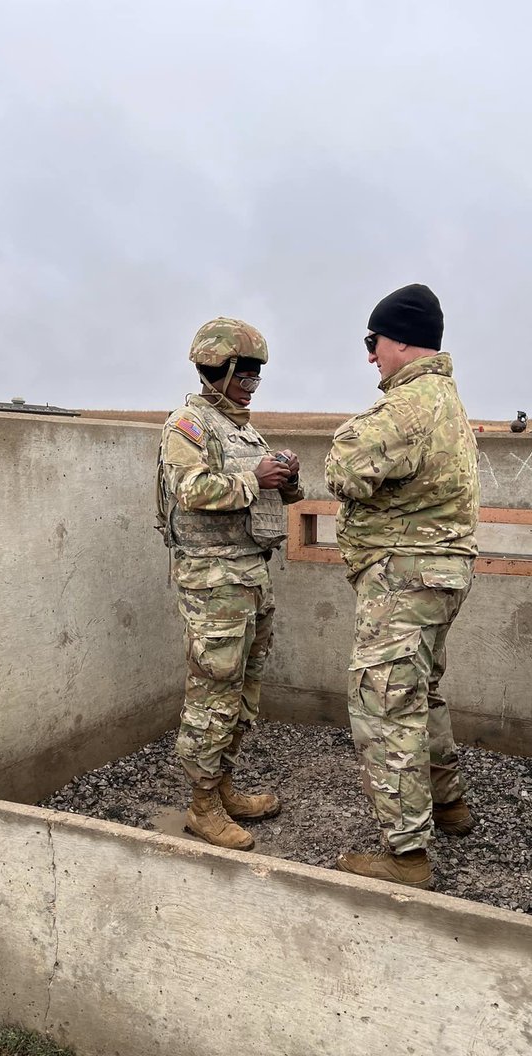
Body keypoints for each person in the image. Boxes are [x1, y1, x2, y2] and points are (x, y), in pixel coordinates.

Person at [324, 284, 480, 889]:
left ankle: (406, 856)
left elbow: (345, 470)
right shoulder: (447, 400)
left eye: (374, 342)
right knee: (422, 692)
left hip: (404, 576)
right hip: (442, 575)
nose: (371, 357)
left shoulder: (408, 406)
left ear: (400, 340)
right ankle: (448, 805)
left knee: (385, 706)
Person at [157, 318, 303, 850]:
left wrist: (285, 478)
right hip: (213, 580)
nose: (251, 382)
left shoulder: (243, 430)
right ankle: (201, 806)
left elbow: (274, 494)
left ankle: (223, 789)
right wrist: (253, 478)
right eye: (245, 372)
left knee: (244, 690)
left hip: (251, 575)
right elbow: (191, 490)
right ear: (217, 367)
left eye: (257, 374)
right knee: (213, 691)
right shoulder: (188, 425)